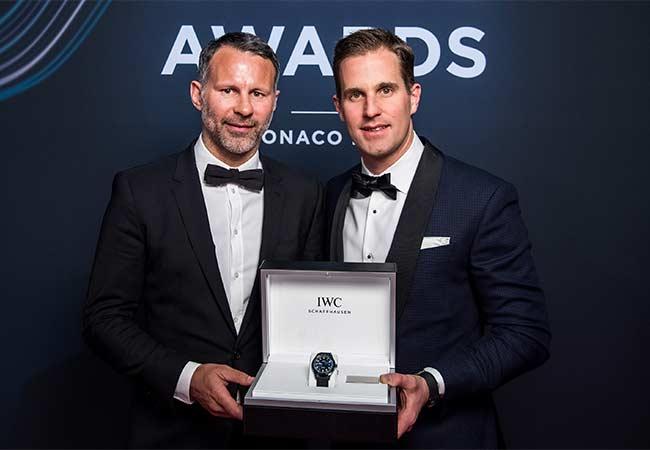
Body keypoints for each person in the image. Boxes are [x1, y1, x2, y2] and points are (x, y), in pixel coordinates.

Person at [83, 32, 323, 448]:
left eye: (258, 93)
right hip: (173, 433)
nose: (244, 108)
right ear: (198, 94)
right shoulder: (141, 191)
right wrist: (187, 377)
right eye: (228, 90)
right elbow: (104, 318)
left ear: (274, 101)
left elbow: (315, 314)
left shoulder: (307, 194)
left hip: (277, 435)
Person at [325, 28, 550, 448]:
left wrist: (432, 383)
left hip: (448, 437)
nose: (371, 110)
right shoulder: (329, 195)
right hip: (346, 438)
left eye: (386, 90)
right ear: (339, 107)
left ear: (413, 96)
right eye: (356, 95)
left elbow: (524, 333)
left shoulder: (482, 198)